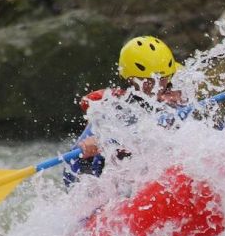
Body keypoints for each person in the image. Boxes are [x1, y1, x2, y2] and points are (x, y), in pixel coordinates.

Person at [65, 36, 185, 184]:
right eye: (148, 82)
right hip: (128, 185)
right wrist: (86, 153)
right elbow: (69, 174)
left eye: (162, 80)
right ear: (130, 80)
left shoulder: (182, 87)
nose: (156, 87)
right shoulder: (115, 110)